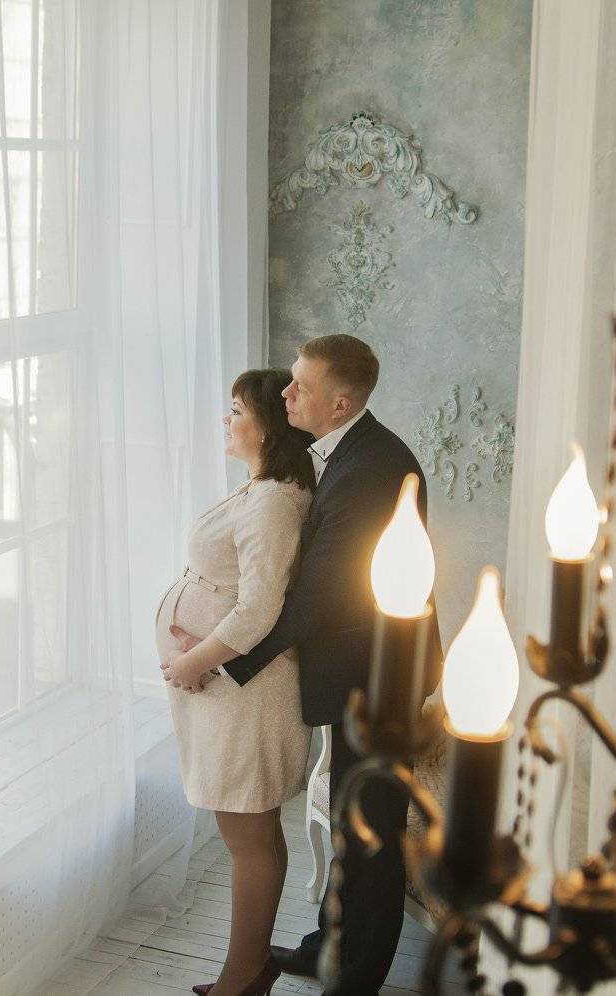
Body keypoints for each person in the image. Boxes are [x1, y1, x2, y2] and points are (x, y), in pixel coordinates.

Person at [166, 333, 438, 996]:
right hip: (359, 670)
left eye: (301, 386)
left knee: (369, 833)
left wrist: (228, 662)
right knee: (350, 823)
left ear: (339, 403)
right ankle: (329, 946)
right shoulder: (345, 452)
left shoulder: (372, 468)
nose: (286, 393)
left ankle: (354, 980)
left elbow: (319, 594)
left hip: (377, 677)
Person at [155, 368, 317, 996]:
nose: (227, 420)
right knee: (251, 832)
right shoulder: (262, 489)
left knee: (248, 835)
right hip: (227, 687)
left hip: (246, 695)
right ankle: (250, 967)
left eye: (238, 411)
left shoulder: (274, 504)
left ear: (268, 428)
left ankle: (244, 975)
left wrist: (197, 661)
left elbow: (258, 610)